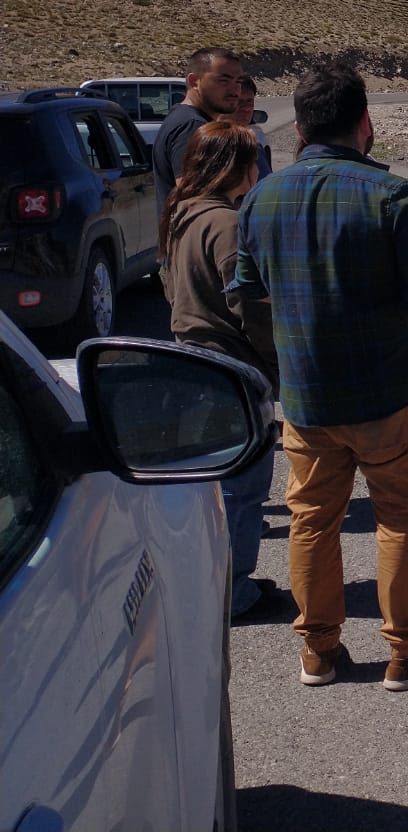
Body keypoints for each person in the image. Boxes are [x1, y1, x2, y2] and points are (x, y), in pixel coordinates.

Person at [235, 64, 408, 691]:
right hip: (387, 392)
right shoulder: (393, 196)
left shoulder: (262, 197)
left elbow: (249, 289)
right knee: (400, 518)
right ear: (365, 122)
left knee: (312, 521)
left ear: (300, 126)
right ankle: (407, 652)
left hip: (307, 395)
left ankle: (318, 651)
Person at [162, 120, 286, 623]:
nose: (259, 168)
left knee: (214, 482)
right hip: (231, 365)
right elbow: (249, 304)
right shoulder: (227, 224)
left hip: (191, 357)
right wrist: (276, 363)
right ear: (236, 167)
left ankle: (219, 580)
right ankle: (234, 592)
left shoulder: (182, 212)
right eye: (254, 160)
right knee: (243, 485)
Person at [153, 46, 244, 214]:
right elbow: (193, 197)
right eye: (223, 80)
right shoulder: (192, 126)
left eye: (238, 81)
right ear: (195, 81)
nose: (234, 90)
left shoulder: (184, 118)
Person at [228, 74, 273, 180]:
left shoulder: (257, 137)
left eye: (249, 101)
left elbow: (266, 181)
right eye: (239, 101)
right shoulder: (213, 136)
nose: (246, 108)